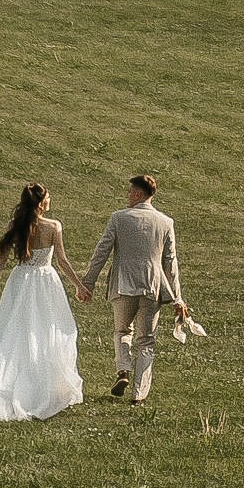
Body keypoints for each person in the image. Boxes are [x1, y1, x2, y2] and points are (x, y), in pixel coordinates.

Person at [0, 183, 86, 422]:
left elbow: (2, 258)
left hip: (20, 280)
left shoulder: (16, 225)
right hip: (44, 281)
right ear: (41, 203)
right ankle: (44, 386)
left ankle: (10, 381)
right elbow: (62, 260)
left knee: (14, 329)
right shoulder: (53, 226)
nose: (50, 199)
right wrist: (78, 285)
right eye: (48, 196)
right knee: (48, 329)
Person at [80, 174, 187, 407]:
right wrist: (177, 296)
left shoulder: (119, 218)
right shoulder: (165, 221)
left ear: (138, 193)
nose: (127, 195)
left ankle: (123, 371)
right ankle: (138, 394)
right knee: (146, 340)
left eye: (130, 191)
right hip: (153, 286)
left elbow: (102, 252)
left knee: (121, 331)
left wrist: (87, 282)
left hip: (123, 285)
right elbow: (171, 262)